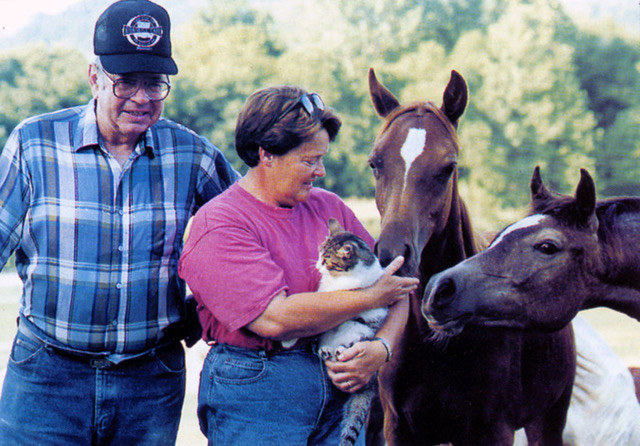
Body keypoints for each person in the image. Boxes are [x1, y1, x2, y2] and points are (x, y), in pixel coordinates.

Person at [0, 0, 238, 444]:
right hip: (45, 380)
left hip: (151, 382)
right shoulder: (34, 144)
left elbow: (251, 229)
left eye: (154, 83)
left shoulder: (193, 154)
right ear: (94, 77)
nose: (142, 97)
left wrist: (198, 310)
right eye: (126, 82)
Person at [178, 85, 419, 445]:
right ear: (266, 155)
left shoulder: (329, 208)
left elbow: (398, 289)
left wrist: (380, 349)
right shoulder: (220, 223)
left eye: (321, 158)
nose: (320, 171)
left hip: (338, 386)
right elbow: (276, 318)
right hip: (259, 389)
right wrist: (371, 297)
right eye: (309, 160)